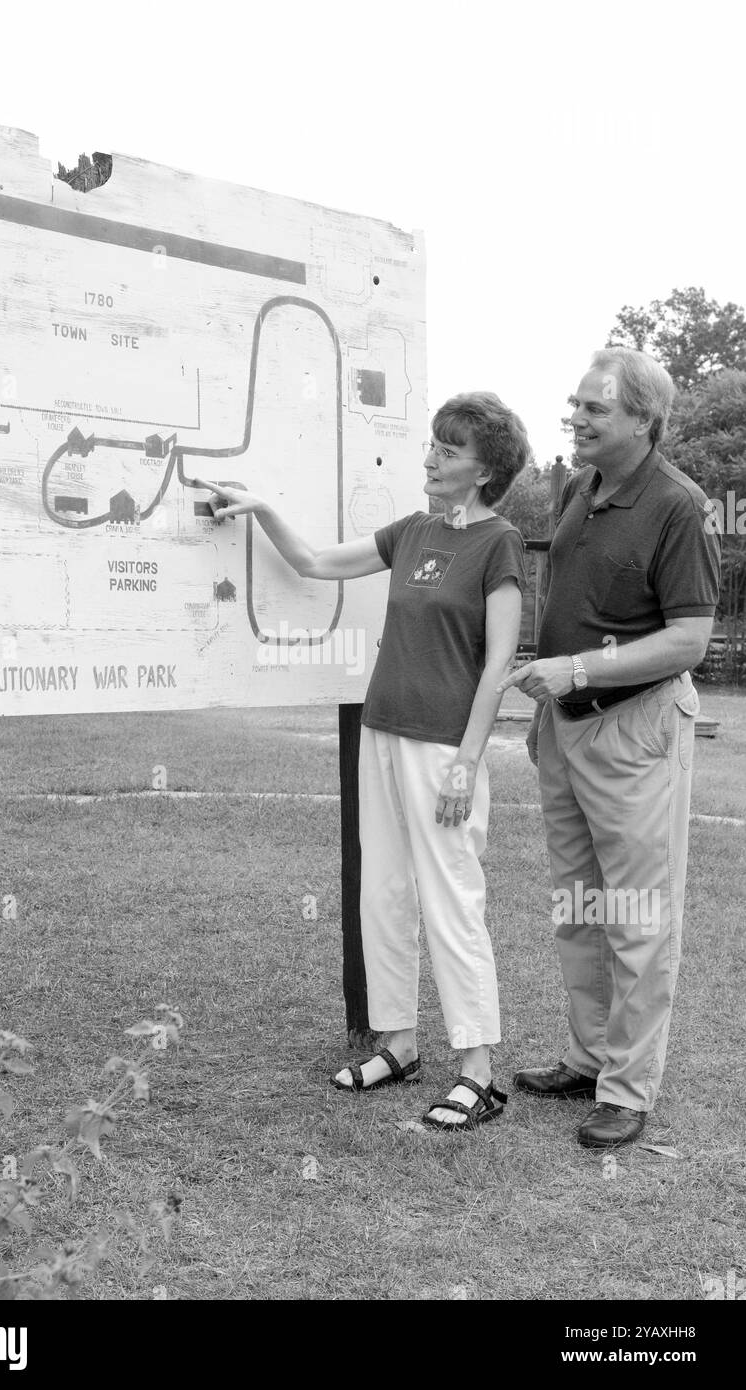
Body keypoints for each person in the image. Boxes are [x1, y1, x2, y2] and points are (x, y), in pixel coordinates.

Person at [199, 392, 530, 1131]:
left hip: (446, 747)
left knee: (451, 900)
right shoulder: (411, 532)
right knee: (381, 892)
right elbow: (317, 562)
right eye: (434, 445)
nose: (431, 458)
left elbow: (500, 659)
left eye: (449, 450)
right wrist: (259, 507)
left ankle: (478, 1071)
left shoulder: (500, 542)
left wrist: (467, 763)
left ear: (484, 470)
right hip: (381, 733)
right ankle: (400, 1044)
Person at [497, 347, 721, 1148]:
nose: (578, 417)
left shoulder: (681, 506)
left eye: (595, 408)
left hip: (636, 730)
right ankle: (588, 1060)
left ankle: (627, 1089)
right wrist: (553, 706)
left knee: (636, 918)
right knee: (579, 908)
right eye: (578, 403)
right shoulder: (578, 488)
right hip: (566, 727)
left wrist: (581, 669)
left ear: (642, 421)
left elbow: (690, 639)